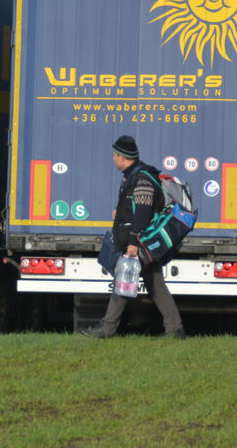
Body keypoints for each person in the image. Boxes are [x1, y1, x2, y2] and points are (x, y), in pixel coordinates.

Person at [80, 135, 185, 339]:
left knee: (129, 281)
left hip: (139, 243)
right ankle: (174, 329)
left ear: (123, 157)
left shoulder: (142, 179)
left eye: (114, 155)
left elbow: (143, 213)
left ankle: (109, 328)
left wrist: (133, 242)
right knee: (144, 283)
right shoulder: (132, 176)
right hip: (137, 243)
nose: (113, 159)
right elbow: (134, 208)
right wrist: (119, 214)